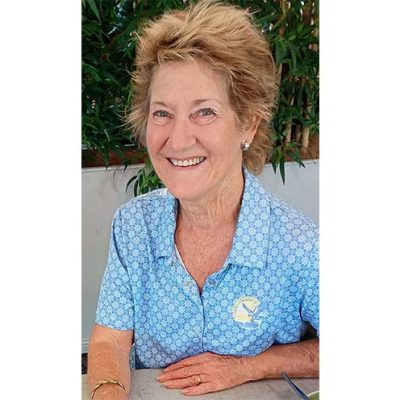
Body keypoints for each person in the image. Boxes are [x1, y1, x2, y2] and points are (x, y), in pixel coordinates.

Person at [88, 1, 319, 399]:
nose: (177, 141)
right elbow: (110, 339)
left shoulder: (300, 244)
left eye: (204, 112)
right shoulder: (133, 225)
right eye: (162, 113)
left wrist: (248, 366)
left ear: (248, 124)